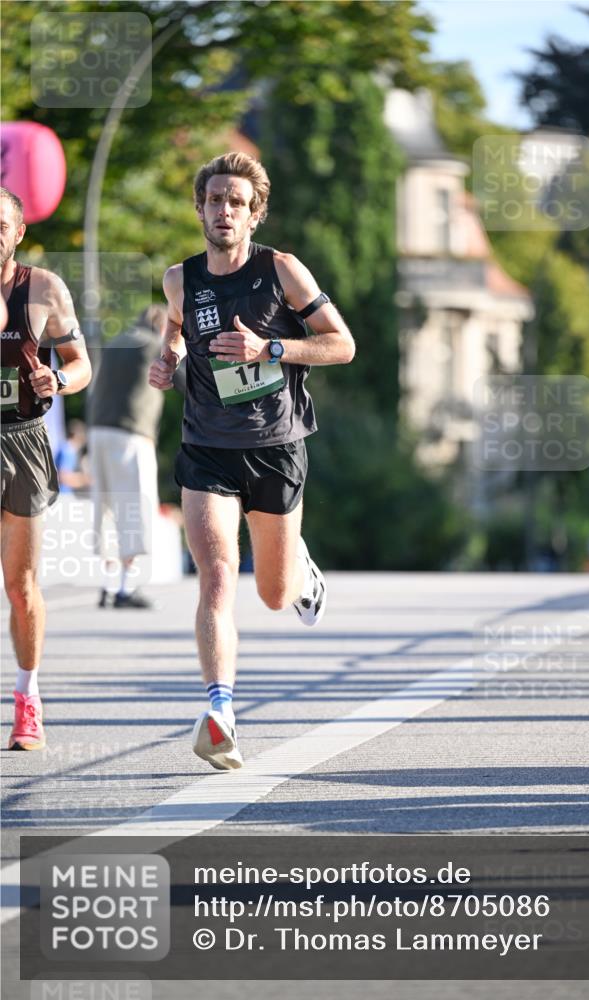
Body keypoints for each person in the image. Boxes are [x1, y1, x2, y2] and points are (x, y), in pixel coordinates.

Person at [149, 152, 355, 771]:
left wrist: (271, 348)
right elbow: (176, 328)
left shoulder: (282, 271)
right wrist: (168, 358)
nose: (224, 211)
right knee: (215, 576)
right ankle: (220, 713)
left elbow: (341, 344)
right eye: (215, 200)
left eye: (236, 202)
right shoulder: (179, 280)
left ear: (254, 213)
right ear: (200, 208)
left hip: (275, 447)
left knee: (272, 592)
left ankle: (301, 574)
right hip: (206, 448)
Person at [1, 186, 91, 750]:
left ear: (18, 232)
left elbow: (82, 365)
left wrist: (57, 379)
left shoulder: (44, 289)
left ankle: (27, 697)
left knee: (21, 585)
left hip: (22, 442)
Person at [88, 304, 178, 609]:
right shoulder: (155, 345)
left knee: (105, 507)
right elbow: (185, 378)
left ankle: (107, 584)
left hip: (97, 430)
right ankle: (126, 587)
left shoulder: (116, 342)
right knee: (135, 507)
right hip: (131, 434)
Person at [54, 418, 90, 494]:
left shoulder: (65, 448)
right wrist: (86, 479)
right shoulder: (68, 451)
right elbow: (63, 477)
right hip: (63, 495)